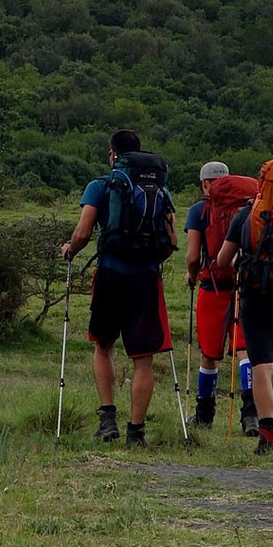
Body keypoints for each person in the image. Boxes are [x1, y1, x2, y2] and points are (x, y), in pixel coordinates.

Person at [60, 129, 176, 447]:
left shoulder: (101, 185)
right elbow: (172, 241)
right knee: (144, 359)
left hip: (110, 274)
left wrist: (69, 249)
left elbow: (83, 232)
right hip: (146, 280)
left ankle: (107, 418)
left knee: (103, 345)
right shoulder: (160, 190)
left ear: (113, 155)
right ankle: (136, 433)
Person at [213, 156, 273, 454]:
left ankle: (266, 433)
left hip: (254, 296)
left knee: (261, 365)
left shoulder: (247, 215)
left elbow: (221, 261)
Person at [182, 162, 254, 433]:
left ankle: (205, 415)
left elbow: (192, 257)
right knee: (245, 350)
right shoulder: (248, 207)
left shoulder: (198, 210)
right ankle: (251, 414)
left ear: (203, 183)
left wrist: (193, 274)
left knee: (209, 354)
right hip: (244, 287)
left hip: (212, 287)